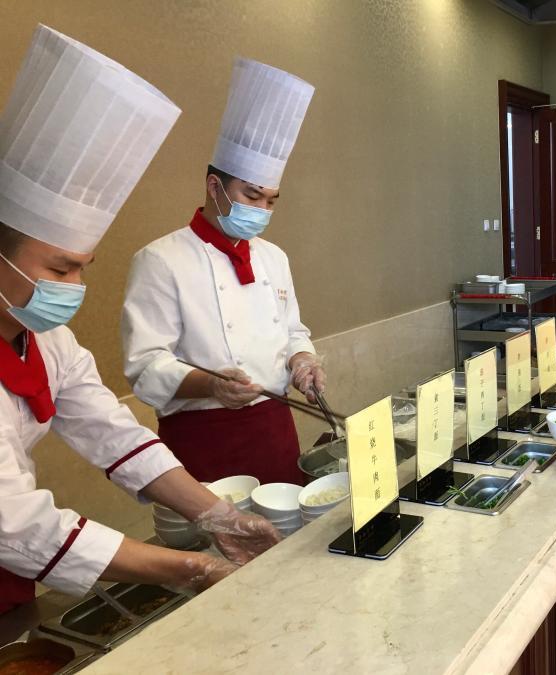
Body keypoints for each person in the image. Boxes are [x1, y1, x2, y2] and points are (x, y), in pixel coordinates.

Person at [0, 25, 279, 614]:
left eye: (83, 268)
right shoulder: (163, 260)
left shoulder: (48, 341)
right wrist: (189, 567)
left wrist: (217, 515)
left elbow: (114, 434)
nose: (75, 289)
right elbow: (19, 524)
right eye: (60, 268)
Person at [121, 57, 322, 485]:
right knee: (216, 528)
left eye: (270, 201)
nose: (262, 210)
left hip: (276, 430)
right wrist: (211, 385)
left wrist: (302, 360)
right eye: (251, 196)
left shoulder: (274, 257)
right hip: (203, 439)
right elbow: (145, 367)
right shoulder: (161, 259)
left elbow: (292, 331)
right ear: (215, 187)